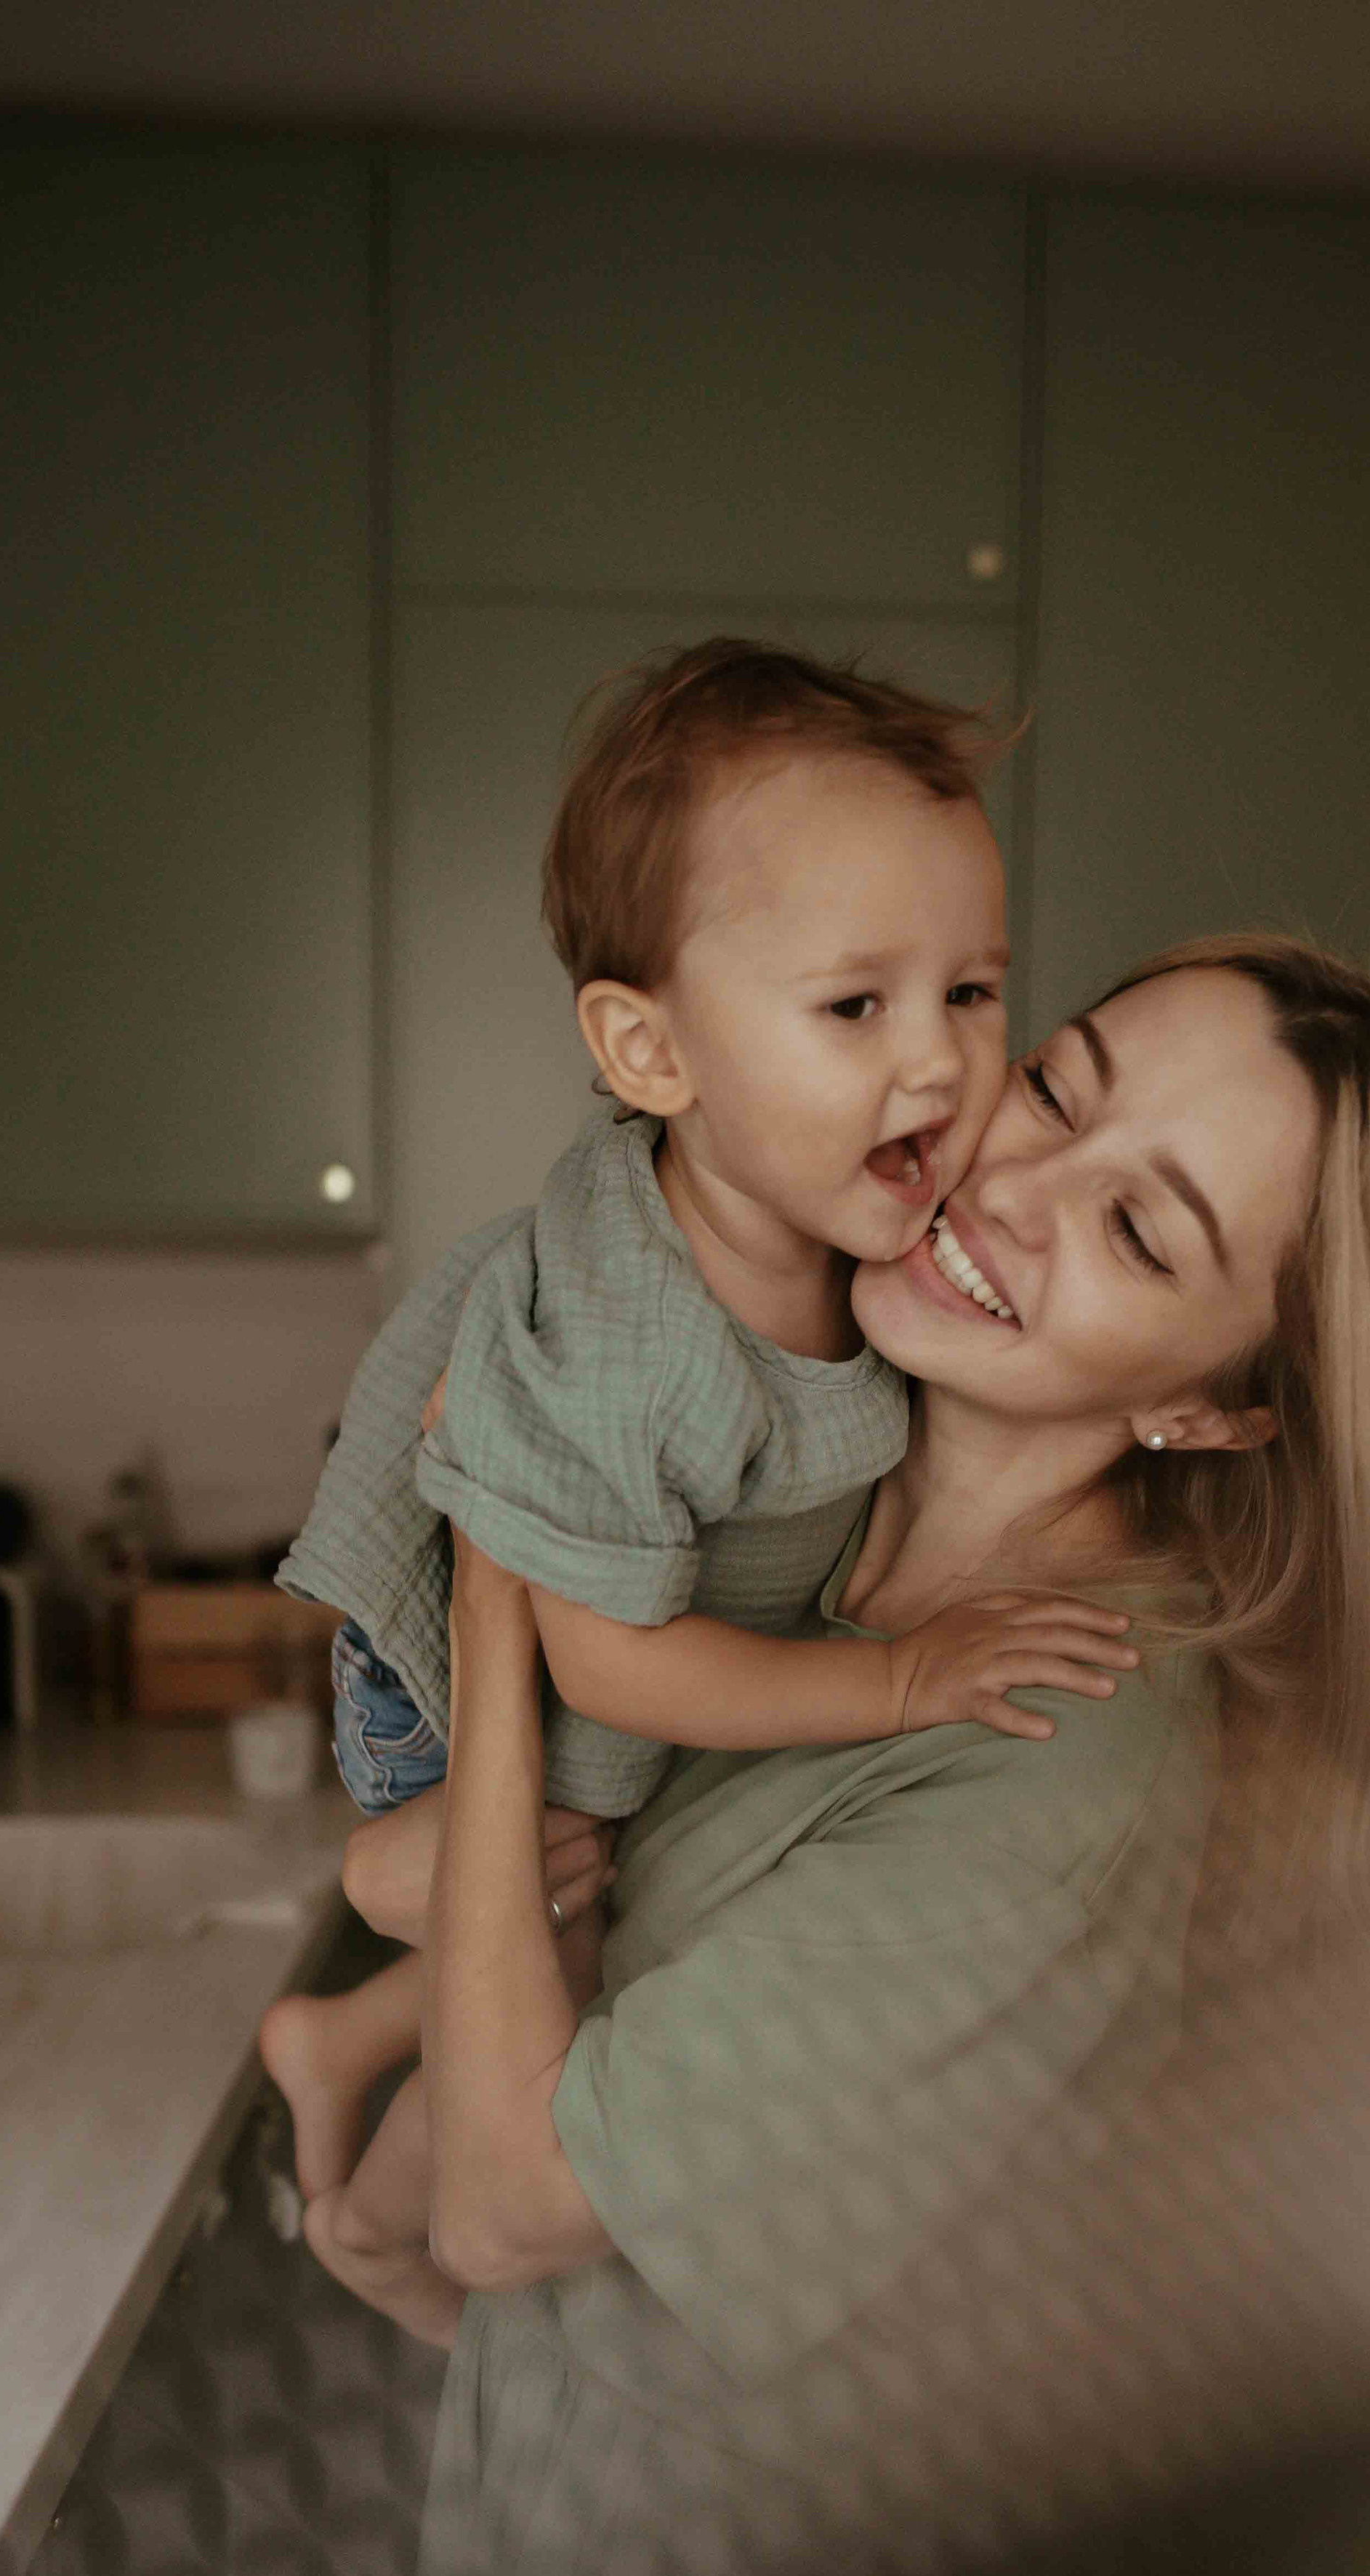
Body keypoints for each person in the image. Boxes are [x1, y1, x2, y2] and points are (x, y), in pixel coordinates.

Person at [329, 934, 1370, 2576]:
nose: (1012, 1186)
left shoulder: (1053, 1757)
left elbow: (516, 2201)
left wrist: (508, 1568)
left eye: (1139, 1228)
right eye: (1053, 1088)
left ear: (1217, 1403)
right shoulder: (799, 1498)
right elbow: (512, 1918)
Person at [263, 640, 1136, 2341]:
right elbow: (605, 1662)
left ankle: (339, 2034)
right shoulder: (642, 1337)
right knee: (555, 1974)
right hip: (459, 1673)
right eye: (854, 1006)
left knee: (581, 1895)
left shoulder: (850, 1227)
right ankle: (373, 2221)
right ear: (649, 1053)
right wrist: (901, 1679)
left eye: (972, 992)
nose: (940, 1063)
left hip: (617, 1635)